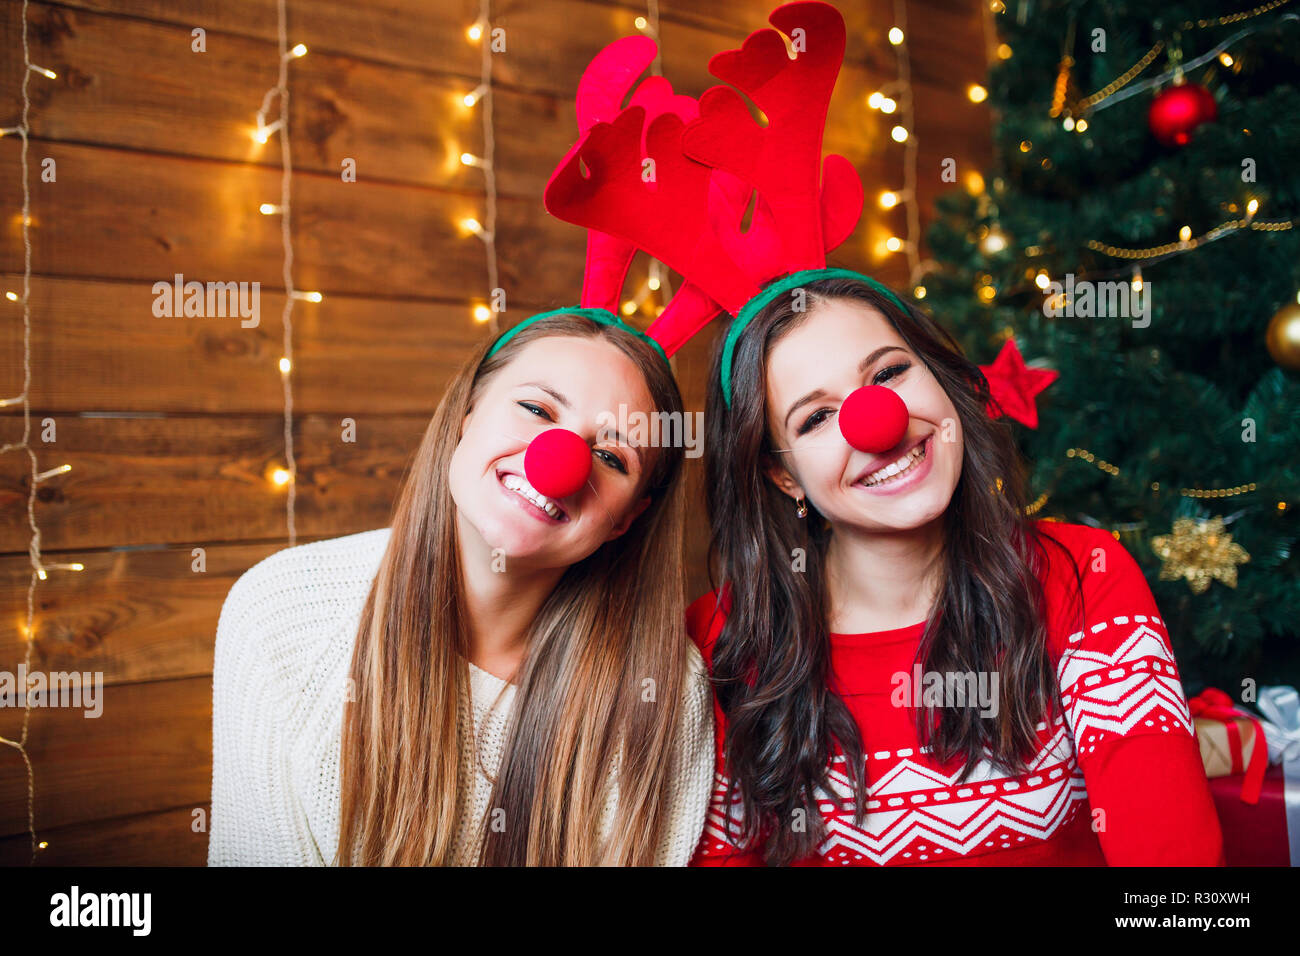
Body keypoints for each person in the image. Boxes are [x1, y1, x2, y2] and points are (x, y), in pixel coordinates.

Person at [686, 271, 1224, 866]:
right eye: (815, 418)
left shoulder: (1081, 574)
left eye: (889, 373)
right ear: (783, 474)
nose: (878, 421)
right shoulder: (721, 641)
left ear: (940, 381)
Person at [208, 310, 714, 866]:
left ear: (627, 518)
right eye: (537, 409)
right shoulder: (281, 612)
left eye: (612, 456)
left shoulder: (667, 687)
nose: (560, 462)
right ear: (466, 418)